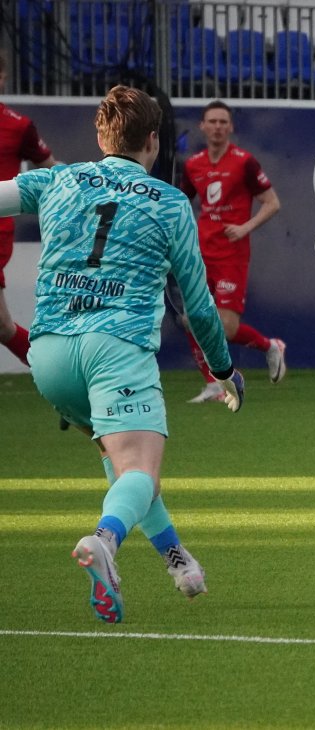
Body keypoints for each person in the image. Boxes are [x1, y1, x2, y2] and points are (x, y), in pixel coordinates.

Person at [0, 85, 246, 623]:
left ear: (99, 134)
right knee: (141, 469)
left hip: (50, 355)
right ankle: (105, 542)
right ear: (154, 141)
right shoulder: (171, 203)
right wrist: (223, 369)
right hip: (116, 349)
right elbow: (199, 307)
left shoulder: (60, 178)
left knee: (124, 463)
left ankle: (178, 560)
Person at [179, 99, 285, 403]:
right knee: (191, 319)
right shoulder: (193, 164)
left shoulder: (244, 162)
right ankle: (213, 383)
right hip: (201, 253)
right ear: (202, 126)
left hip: (231, 254)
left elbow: (272, 202)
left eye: (223, 122)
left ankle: (270, 346)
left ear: (231, 127)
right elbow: (181, 203)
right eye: (211, 121)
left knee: (225, 326)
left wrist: (245, 228)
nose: (217, 127)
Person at [0, 53, 58, 367]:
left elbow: (49, 168)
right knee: (3, 325)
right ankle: (60, 377)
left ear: (3, 78)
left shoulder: (18, 126)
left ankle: (60, 376)